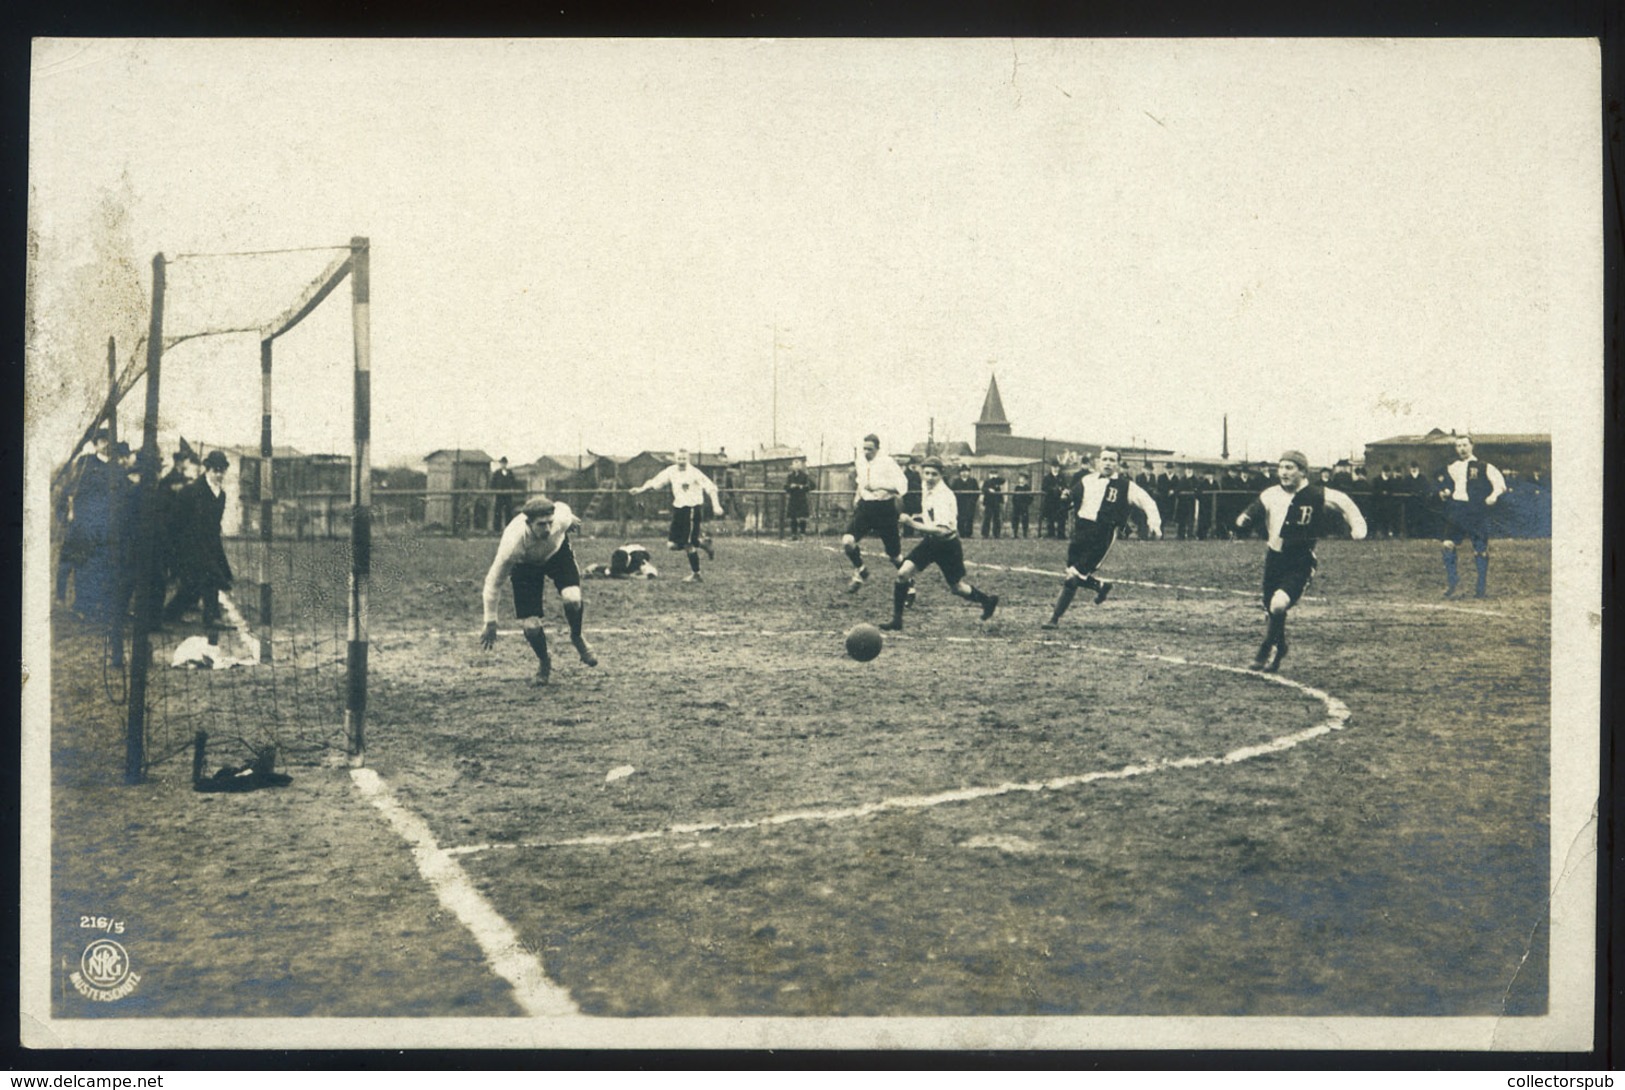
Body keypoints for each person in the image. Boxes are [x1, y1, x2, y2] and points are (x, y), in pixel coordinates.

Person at [1234, 450, 1367, 672]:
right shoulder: (1271, 494)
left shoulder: (1316, 494)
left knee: (1278, 604)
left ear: (1302, 471)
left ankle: (1268, 646)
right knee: (1272, 608)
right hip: (1274, 559)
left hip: (1300, 560)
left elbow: (1346, 503)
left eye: (1289, 468)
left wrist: (1358, 527)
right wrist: (1243, 519)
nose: (1283, 472)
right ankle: (1280, 645)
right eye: (1281, 467)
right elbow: (1252, 511)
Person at [479, 496, 598, 685]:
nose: (548, 529)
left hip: (557, 555)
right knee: (531, 627)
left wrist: (570, 520)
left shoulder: (561, 518)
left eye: (550, 523)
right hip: (526, 566)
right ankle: (544, 661)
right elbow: (493, 583)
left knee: (573, 598)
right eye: (541, 525)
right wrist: (490, 621)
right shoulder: (512, 545)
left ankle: (577, 636)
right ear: (528, 523)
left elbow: (562, 508)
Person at [1042, 449, 1162, 629]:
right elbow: (1071, 498)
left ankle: (1054, 619)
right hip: (1081, 531)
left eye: (1112, 460)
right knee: (1071, 572)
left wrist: (1155, 524)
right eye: (1104, 459)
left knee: (1072, 578)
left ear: (1118, 464)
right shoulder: (1087, 480)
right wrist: (1065, 497)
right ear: (1099, 462)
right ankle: (1100, 586)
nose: (1107, 463)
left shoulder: (1125, 486)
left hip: (1102, 535)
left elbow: (1148, 502)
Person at [878, 457, 999, 632]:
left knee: (956, 587)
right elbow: (930, 516)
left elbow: (942, 531)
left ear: (942, 475)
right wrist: (919, 517)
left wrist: (911, 523)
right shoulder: (926, 487)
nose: (929, 477)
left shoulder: (943, 495)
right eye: (926, 473)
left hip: (948, 546)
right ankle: (897, 620)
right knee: (903, 573)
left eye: (934, 474)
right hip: (930, 542)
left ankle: (987, 601)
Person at [163, 450, 234, 630]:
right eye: (215, 470)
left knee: (194, 586)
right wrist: (178, 546)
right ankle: (212, 618)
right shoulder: (192, 491)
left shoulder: (221, 494)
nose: (219, 474)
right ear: (207, 469)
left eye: (222, 470)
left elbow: (215, 523)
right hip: (189, 545)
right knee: (207, 578)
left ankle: (169, 614)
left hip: (210, 544)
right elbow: (175, 520)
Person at [629, 449, 722, 582]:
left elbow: (711, 488)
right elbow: (655, 482)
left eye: (684, 459)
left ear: (688, 459)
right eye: (679, 459)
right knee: (672, 545)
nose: (681, 462)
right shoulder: (671, 471)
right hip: (678, 510)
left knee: (688, 544)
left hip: (692, 509)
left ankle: (696, 574)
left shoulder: (694, 472)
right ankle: (702, 543)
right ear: (675, 459)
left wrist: (716, 505)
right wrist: (640, 489)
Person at [1436, 434, 1506, 598]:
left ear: (1472, 446)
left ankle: (1480, 586)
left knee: (1480, 550)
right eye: (1458, 445)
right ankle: (1452, 582)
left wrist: (1493, 495)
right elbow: (1448, 485)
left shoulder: (1484, 466)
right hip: (1457, 510)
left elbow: (1500, 485)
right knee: (1447, 545)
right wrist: (1445, 492)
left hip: (1476, 511)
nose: (1462, 448)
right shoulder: (1452, 467)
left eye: (1465, 445)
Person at [837, 434, 908, 593]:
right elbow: (861, 484)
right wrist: (857, 498)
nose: (866, 452)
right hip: (865, 508)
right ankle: (861, 569)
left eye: (870, 449)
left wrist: (879, 486)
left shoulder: (887, 462)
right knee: (847, 541)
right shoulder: (860, 462)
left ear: (878, 448)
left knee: (894, 555)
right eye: (864, 448)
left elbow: (902, 486)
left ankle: (909, 583)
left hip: (884, 509)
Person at [584, 543, 659, 579]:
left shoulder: (640, 560)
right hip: (625, 551)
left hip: (635, 553)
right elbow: (613, 569)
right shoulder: (619, 555)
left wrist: (634, 577)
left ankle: (596, 568)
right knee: (611, 573)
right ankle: (595, 568)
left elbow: (652, 574)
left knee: (617, 574)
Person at [782, 458, 813, 541]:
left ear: (801, 466)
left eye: (798, 465)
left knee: (802, 517)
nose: (796, 467)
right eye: (795, 465)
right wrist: (790, 486)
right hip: (793, 499)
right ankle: (794, 534)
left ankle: (802, 534)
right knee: (793, 517)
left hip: (801, 499)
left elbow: (810, 486)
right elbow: (785, 487)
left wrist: (801, 487)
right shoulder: (790, 476)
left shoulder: (805, 476)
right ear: (792, 467)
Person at [490, 456, 522, 531]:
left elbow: (514, 483)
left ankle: (509, 528)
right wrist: (495, 490)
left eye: (504, 463)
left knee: (508, 511)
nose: (503, 465)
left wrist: (513, 489)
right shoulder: (497, 473)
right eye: (502, 463)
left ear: (506, 464)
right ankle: (497, 529)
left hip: (508, 495)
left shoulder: (510, 473)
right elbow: (492, 483)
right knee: (498, 511)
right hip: (499, 495)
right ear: (500, 464)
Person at [949, 463, 980, 538]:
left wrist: (973, 501)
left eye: (966, 471)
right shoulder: (956, 481)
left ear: (969, 472)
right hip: (960, 502)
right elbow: (952, 492)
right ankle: (962, 533)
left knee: (969, 517)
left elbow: (977, 492)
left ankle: (969, 533)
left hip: (970, 503)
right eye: (962, 471)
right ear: (960, 473)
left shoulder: (973, 481)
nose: (964, 473)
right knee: (960, 518)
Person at [980, 470, 1007, 539]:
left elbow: (1003, 480)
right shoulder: (987, 482)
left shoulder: (998, 481)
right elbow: (983, 489)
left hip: (996, 502)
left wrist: (996, 478)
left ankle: (996, 534)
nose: (993, 475)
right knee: (987, 518)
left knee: (997, 518)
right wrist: (989, 490)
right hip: (988, 502)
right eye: (991, 474)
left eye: (995, 474)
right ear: (989, 475)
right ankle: (985, 534)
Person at [1010, 472, 1034, 538]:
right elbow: (1014, 497)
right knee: (1015, 519)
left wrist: (1026, 504)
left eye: (1023, 479)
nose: (1021, 480)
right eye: (1020, 478)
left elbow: (1031, 498)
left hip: (1024, 506)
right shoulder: (1017, 487)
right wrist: (1015, 503)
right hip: (1017, 506)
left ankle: (1025, 534)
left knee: (1025, 519)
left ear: (1026, 480)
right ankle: (1015, 533)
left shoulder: (1027, 488)